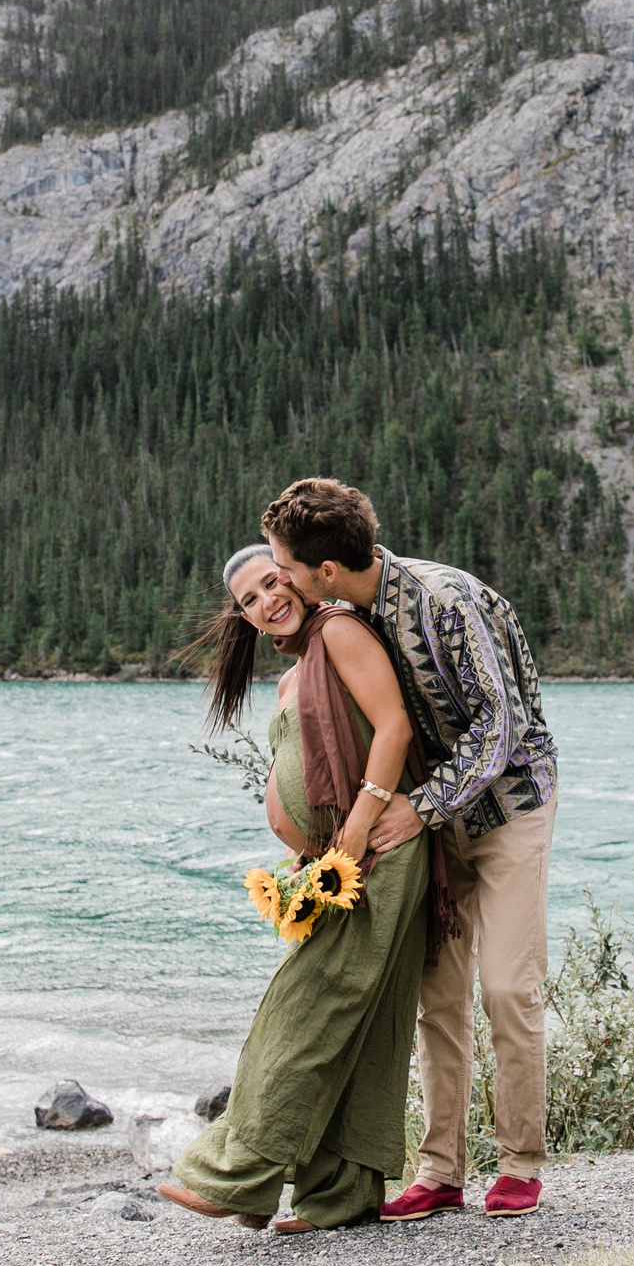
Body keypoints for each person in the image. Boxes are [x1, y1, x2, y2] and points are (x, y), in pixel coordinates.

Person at [261, 477, 557, 1221]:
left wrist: (418, 809)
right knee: (438, 995)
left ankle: (520, 1163)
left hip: (509, 806)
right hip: (422, 822)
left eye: (285, 566)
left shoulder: (444, 599)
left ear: (327, 569)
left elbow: (501, 727)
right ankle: (441, 1171)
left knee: (506, 987)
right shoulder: (341, 619)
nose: (280, 579)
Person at [157, 544, 432, 1232]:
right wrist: (297, 859)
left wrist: (357, 829)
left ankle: (239, 1174)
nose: (266, 601)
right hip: (335, 861)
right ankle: (340, 1194)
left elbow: (393, 727)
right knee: (362, 1023)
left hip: (378, 851)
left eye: (272, 582)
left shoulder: (338, 630)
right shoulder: (296, 671)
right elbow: (310, 772)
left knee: (303, 1009)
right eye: (249, 600)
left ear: (300, 574)